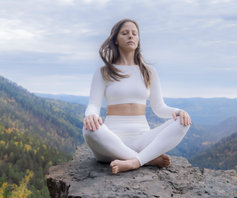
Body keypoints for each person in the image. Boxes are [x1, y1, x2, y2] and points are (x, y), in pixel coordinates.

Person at [82, 18, 191, 174]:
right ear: (116, 40)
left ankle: (135, 161)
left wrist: (179, 111)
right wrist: (91, 115)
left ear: (138, 39)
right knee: (88, 129)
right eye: (125, 33)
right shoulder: (104, 72)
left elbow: (159, 107)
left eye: (134, 33)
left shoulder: (149, 71)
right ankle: (146, 159)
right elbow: (93, 104)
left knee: (183, 122)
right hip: (111, 142)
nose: (131, 36)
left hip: (142, 140)